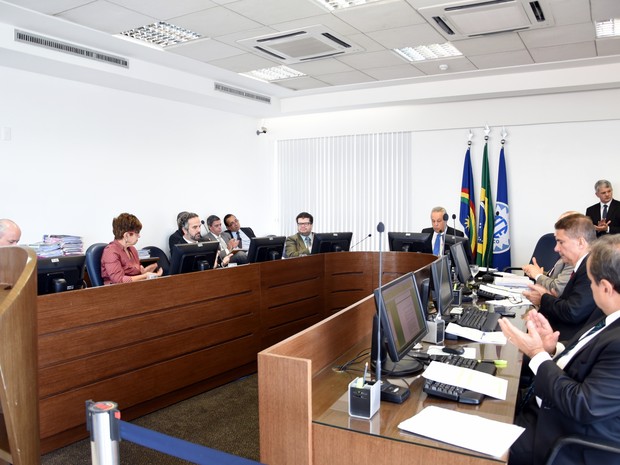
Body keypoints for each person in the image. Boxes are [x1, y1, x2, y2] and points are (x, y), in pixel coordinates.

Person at [499, 234, 620, 465]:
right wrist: (552, 349)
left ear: (605, 287)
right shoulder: (609, 315)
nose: (591, 290)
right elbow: (587, 361)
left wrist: (538, 355)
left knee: (461, 444)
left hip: (563, 438)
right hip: (546, 413)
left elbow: (583, 405)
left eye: (592, 283)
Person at [523, 214, 598, 341]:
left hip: (567, 340)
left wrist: (544, 299)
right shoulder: (582, 264)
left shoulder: (590, 267)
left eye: (561, 242)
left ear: (580, 242)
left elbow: (573, 312)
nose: (556, 249)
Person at [522, 211, 579, 295]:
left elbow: (557, 290)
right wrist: (538, 272)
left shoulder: (575, 259)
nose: (556, 248)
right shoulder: (566, 253)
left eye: (561, 242)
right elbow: (556, 277)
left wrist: (537, 275)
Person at [101, 213, 163, 284]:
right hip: (116, 291)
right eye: (137, 233)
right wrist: (145, 276)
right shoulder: (110, 252)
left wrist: (145, 272)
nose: (139, 236)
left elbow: (135, 274)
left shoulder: (132, 249)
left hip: (134, 287)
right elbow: (119, 280)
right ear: (126, 235)